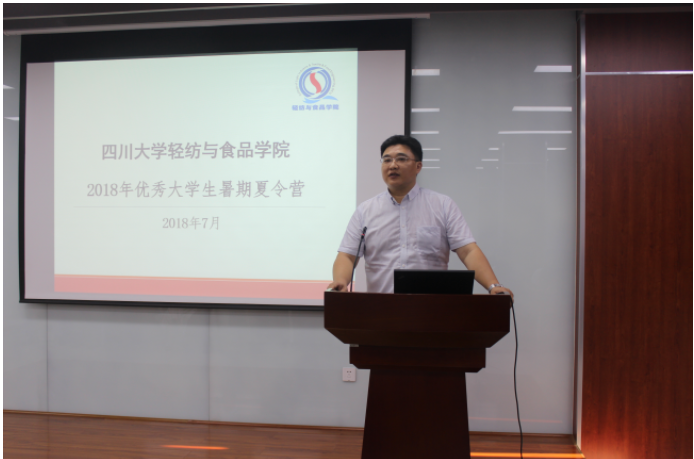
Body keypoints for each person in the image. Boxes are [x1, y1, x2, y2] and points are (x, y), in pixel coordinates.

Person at [327, 135, 513, 298]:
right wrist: (341, 281)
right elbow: (347, 256)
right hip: (381, 310)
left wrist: (493, 286)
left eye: (401, 159)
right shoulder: (365, 210)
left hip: (432, 310)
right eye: (387, 160)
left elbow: (468, 251)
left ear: (418, 166)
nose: (393, 165)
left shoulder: (442, 205)